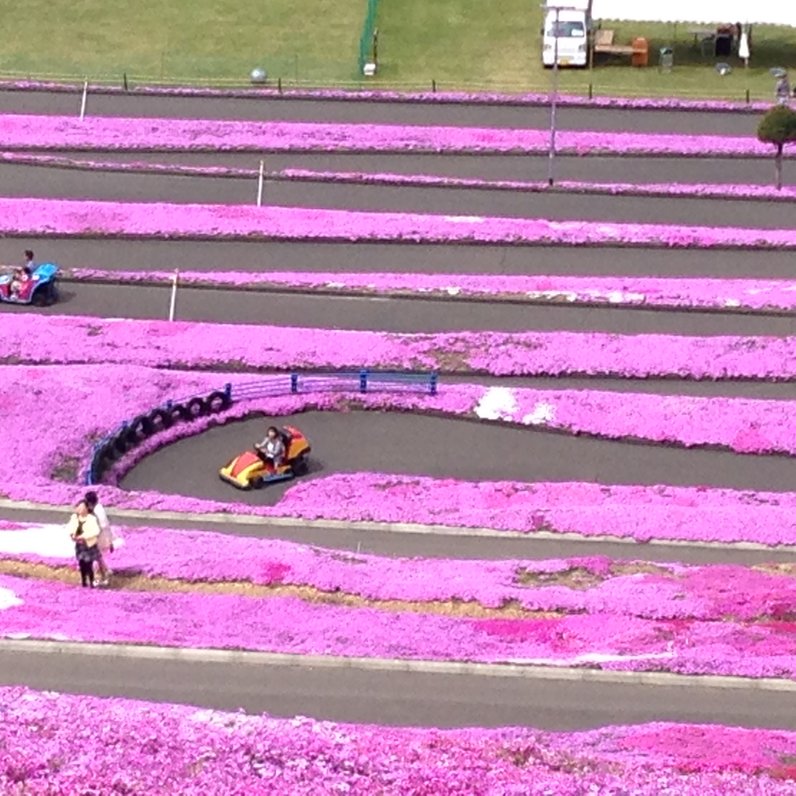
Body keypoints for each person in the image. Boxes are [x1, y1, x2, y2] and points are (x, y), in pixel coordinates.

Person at [66, 502, 101, 588]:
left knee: (89, 564)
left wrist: (83, 537)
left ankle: (92, 581)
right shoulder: (74, 517)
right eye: (78, 507)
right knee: (82, 564)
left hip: (88, 545)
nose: (80, 509)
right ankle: (84, 581)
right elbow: (70, 527)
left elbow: (96, 531)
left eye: (82, 507)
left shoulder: (91, 519)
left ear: (86, 508)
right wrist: (72, 535)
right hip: (79, 545)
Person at [84, 490, 113, 586]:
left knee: (96, 557)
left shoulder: (96, 511)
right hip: (103, 536)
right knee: (98, 557)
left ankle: (103, 577)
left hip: (100, 538)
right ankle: (106, 572)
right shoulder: (99, 508)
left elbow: (100, 527)